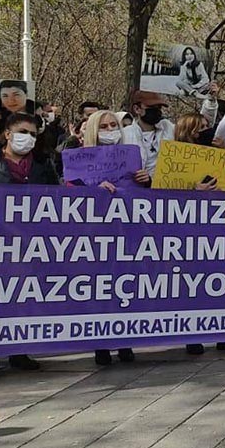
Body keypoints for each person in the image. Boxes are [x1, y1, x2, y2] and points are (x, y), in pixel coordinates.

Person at [70, 109, 150, 366]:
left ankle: (124, 340)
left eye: (113, 125)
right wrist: (94, 191)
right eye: (103, 126)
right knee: (99, 288)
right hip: (94, 236)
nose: (109, 130)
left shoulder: (132, 157)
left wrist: (146, 180)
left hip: (126, 234)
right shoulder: (78, 161)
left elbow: (144, 197)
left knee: (124, 285)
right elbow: (68, 194)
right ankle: (100, 344)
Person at [0, 112, 49, 380]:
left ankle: (18, 351)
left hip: (31, 242)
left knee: (22, 295)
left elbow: (59, 197)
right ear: (8, 133)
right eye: (23, 132)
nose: (28, 138)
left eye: (33, 134)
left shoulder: (42, 164)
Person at [168, 113, 225, 354]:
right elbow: (165, 191)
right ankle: (192, 335)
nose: (207, 131)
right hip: (188, 231)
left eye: (207, 127)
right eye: (200, 129)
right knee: (192, 284)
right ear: (187, 133)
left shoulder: (221, 152)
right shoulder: (176, 156)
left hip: (221, 227)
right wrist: (192, 189)